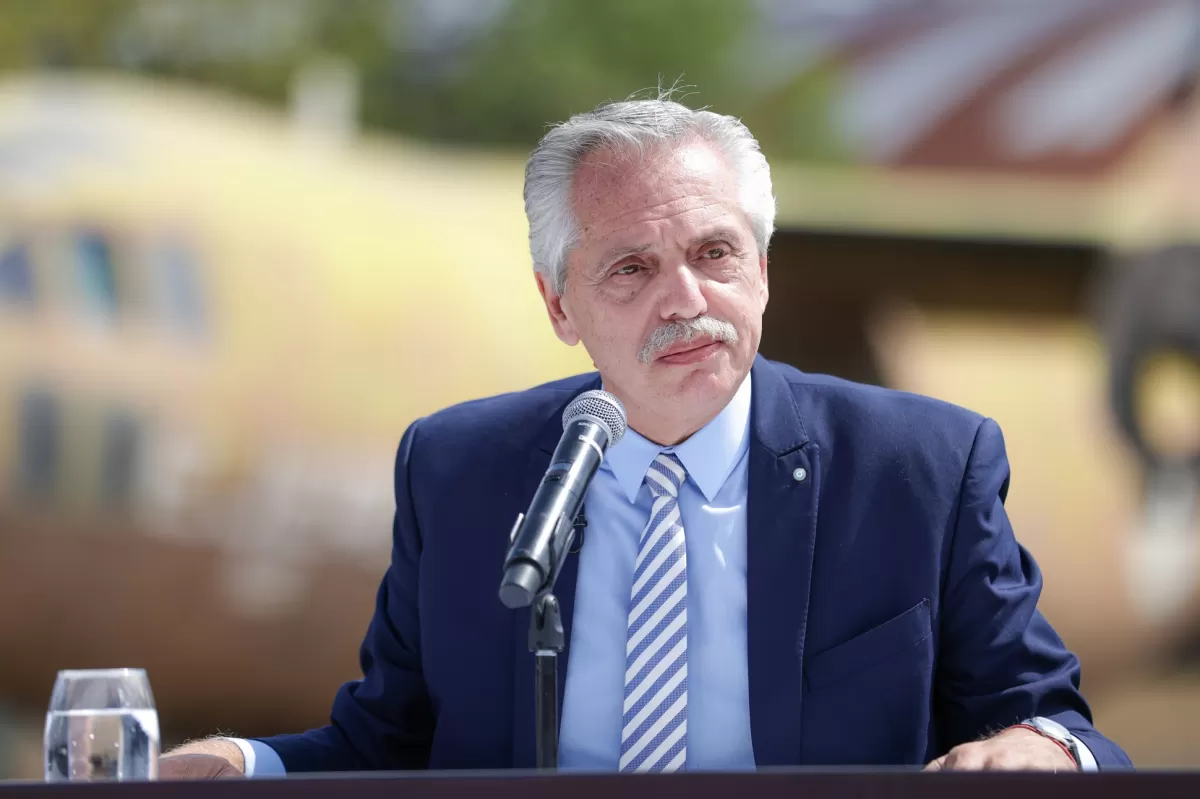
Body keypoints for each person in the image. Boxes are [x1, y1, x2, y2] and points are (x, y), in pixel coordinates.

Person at [160, 94, 1131, 777]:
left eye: (716, 253)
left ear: (762, 270)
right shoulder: (459, 472)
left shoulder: (918, 468)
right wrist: (246, 764)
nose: (687, 299)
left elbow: (1051, 719)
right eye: (631, 267)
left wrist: (1049, 747)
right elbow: (392, 744)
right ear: (558, 304)